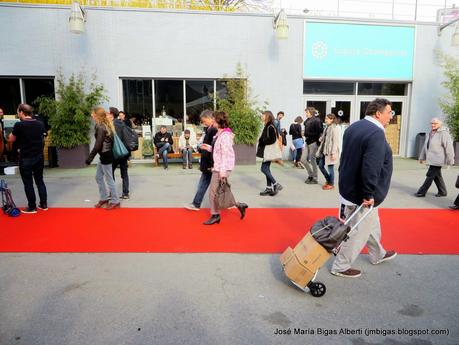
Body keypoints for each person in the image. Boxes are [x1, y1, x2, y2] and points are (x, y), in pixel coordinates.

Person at [331, 98, 397, 278]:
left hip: (349, 186)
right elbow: (371, 166)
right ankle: (340, 266)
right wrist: (368, 193)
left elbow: (347, 157)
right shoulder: (375, 133)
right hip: (362, 194)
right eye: (389, 113)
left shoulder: (354, 126)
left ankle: (378, 254)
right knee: (360, 230)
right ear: (378, 113)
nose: (391, 117)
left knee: (372, 224)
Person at [204, 111, 248, 225]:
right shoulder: (220, 134)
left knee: (213, 192)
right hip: (220, 167)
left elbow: (225, 154)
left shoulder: (225, 136)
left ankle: (215, 215)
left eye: (214, 119)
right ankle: (239, 205)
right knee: (222, 190)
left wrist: (222, 172)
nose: (212, 121)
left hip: (221, 168)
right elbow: (218, 151)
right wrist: (209, 148)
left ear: (218, 121)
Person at [8, 104, 47, 214]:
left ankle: (32, 207)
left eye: (18, 112)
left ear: (21, 112)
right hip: (39, 156)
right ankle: (43, 204)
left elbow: (11, 139)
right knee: (40, 180)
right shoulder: (40, 124)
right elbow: (43, 138)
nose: (18, 114)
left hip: (26, 157)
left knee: (28, 183)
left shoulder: (19, 125)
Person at [85, 107, 120, 210]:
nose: (91, 115)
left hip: (106, 155)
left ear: (97, 115)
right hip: (105, 155)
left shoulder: (101, 127)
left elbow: (97, 145)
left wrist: (89, 159)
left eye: (93, 113)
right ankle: (104, 198)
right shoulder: (103, 125)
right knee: (98, 177)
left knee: (109, 179)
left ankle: (115, 201)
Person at [185, 110, 218, 211]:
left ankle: (196, 204)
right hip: (208, 160)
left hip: (209, 161)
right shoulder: (210, 129)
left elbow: (213, 147)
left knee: (204, 183)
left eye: (204, 120)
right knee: (218, 185)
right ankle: (231, 203)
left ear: (210, 118)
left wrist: (211, 161)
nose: (203, 123)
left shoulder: (213, 129)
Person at [415, 118, 454, 197]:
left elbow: (449, 148)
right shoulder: (431, 133)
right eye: (432, 123)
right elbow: (425, 146)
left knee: (430, 175)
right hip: (432, 159)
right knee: (437, 176)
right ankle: (442, 192)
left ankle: (421, 192)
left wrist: (451, 160)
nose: (433, 125)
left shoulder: (444, 133)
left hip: (438, 159)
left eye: (435, 123)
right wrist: (422, 157)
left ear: (440, 124)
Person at [257, 110, 283, 196]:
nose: (262, 117)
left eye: (263, 115)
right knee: (266, 169)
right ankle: (269, 188)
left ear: (267, 116)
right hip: (267, 151)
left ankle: (275, 184)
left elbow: (272, 139)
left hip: (268, 151)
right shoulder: (268, 125)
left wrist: (262, 141)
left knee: (263, 169)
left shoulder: (270, 126)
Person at [107, 107, 130, 200]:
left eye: (108, 113)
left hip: (114, 153)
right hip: (123, 152)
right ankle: (125, 193)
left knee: (110, 173)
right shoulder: (122, 123)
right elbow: (126, 139)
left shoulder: (110, 125)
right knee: (124, 173)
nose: (107, 115)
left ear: (111, 114)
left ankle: (112, 193)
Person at [316, 113, 341, 190]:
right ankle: (328, 180)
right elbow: (324, 137)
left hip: (330, 152)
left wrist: (333, 153)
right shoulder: (327, 127)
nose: (325, 120)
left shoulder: (335, 128)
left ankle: (331, 184)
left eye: (327, 119)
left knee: (330, 168)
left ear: (332, 119)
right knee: (320, 165)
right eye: (325, 118)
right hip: (325, 150)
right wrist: (320, 139)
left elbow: (335, 142)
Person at [303, 107, 323, 184]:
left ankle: (315, 178)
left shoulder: (317, 121)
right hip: (307, 142)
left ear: (311, 113)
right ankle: (311, 174)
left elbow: (319, 133)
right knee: (303, 159)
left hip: (313, 143)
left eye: (307, 113)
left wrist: (306, 134)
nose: (306, 114)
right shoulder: (307, 120)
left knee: (312, 160)